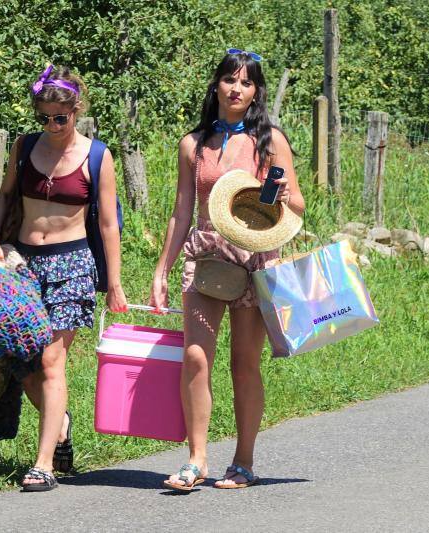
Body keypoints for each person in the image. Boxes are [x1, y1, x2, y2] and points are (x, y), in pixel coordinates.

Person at [149, 49, 305, 491]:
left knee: (244, 364)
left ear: (256, 91)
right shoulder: (193, 144)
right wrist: (162, 270)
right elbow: (182, 212)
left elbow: (296, 207)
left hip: (255, 259)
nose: (237, 89)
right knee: (196, 357)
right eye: (229, 80)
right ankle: (196, 460)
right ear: (216, 84)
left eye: (247, 82)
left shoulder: (269, 140)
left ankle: (243, 462)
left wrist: (278, 190)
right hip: (205, 259)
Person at [0, 65, 127, 491]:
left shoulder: (97, 155)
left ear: (76, 109)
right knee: (19, 364)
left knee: (50, 360)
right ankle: (59, 422)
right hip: (22, 264)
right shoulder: (25, 147)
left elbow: (107, 224)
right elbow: (6, 195)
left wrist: (113, 282)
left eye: (59, 117)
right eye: (43, 117)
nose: (51, 125)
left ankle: (43, 464)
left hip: (72, 266)